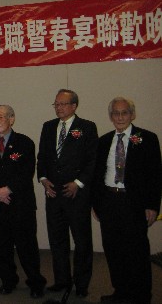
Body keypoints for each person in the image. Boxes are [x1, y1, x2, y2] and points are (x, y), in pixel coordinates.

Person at [92, 97, 161, 304]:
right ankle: (120, 292)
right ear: (111, 116)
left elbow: (155, 175)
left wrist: (152, 206)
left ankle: (141, 296)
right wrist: (96, 203)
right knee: (113, 250)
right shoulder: (104, 141)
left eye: (124, 112)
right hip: (109, 202)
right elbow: (97, 174)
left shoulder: (147, 138)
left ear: (132, 114)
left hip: (134, 203)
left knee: (137, 251)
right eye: (116, 113)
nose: (120, 117)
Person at [37, 89, 98, 298]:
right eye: (56, 104)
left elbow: (92, 160)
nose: (58, 107)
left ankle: (81, 284)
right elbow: (42, 157)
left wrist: (78, 183)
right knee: (57, 240)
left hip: (76, 195)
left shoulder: (87, 127)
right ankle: (62, 280)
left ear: (74, 106)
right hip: (53, 194)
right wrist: (43, 179)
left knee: (82, 241)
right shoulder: (48, 127)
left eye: (63, 104)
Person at [0, 105, 46, 298]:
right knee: (1, 247)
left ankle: (35, 282)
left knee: (27, 247)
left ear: (12, 119)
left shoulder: (25, 142)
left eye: (1, 117)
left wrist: (7, 189)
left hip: (20, 205)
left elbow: (27, 172)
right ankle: (8, 280)